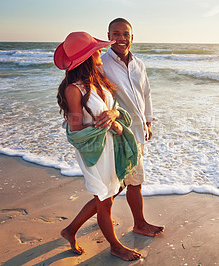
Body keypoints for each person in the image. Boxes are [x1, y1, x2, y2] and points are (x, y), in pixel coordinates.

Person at [54, 31, 141, 261]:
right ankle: (115, 246)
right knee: (105, 201)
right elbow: (75, 132)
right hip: (93, 153)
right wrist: (104, 125)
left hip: (110, 148)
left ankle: (70, 230)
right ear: (87, 57)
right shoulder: (74, 90)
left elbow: (115, 110)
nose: (101, 52)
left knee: (112, 192)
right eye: (97, 50)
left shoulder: (99, 82)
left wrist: (113, 114)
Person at [101, 18, 164, 237]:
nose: (121, 38)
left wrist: (148, 121)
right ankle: (139, 224)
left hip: (138, 131)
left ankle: (88, 220)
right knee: (132, 182)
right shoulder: (102, 64)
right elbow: (96, 97)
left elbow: (145, 93)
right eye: (116, 34)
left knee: (120, 183)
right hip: (119, 133)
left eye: (126, 34)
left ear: (132, 37)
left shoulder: (139, 63)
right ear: (108, 36)